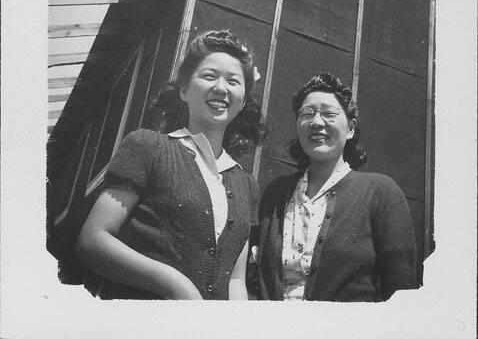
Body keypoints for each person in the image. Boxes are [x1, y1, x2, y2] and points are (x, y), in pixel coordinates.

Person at [76, 30, 266, 300]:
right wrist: (175, 283)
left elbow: (235, 279)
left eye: (233, 81)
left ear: (243, 99)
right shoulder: (148, 147)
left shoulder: (246, 184)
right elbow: (93, 240)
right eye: (209, 76)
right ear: (185, 90)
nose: (221, 88)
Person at [254, 72, 417, 302]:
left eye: (329, 114)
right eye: (307, 113)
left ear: (350, 129)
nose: (316, 122)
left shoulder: (380, 192)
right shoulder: (276, 194)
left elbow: (401, 293)